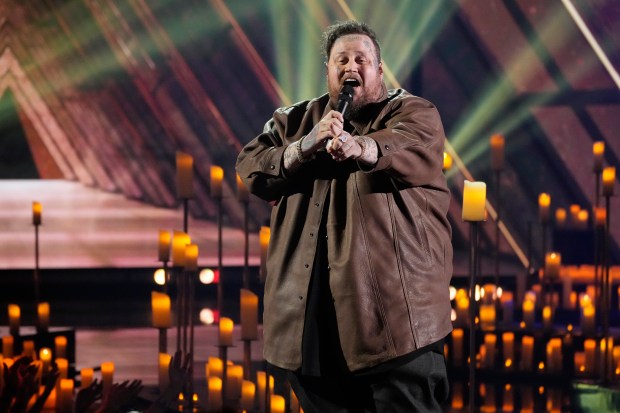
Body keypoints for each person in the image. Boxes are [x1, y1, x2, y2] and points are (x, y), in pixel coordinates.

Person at [236, 20, 452, 412]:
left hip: (396, 331)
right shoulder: (294, 120)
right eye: (342, 60)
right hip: (312, 336)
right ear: (329, 71)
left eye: (360, 58)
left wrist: (362, 147)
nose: (351, 66)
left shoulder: (414, 111)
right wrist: (303, 147)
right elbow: (251, 165)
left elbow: (406, 143)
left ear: (379, 70)